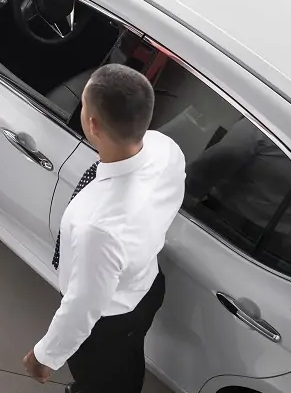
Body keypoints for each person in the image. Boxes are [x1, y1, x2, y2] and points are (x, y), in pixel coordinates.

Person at [23, 64, 186, 392]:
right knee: (127, 358)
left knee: (104, 377)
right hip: (147, 285)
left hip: (110, 319)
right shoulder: (165, 148)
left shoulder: (97, 227)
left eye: (83, 105)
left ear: (93, 123)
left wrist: (44, 356)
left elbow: (83, 304)